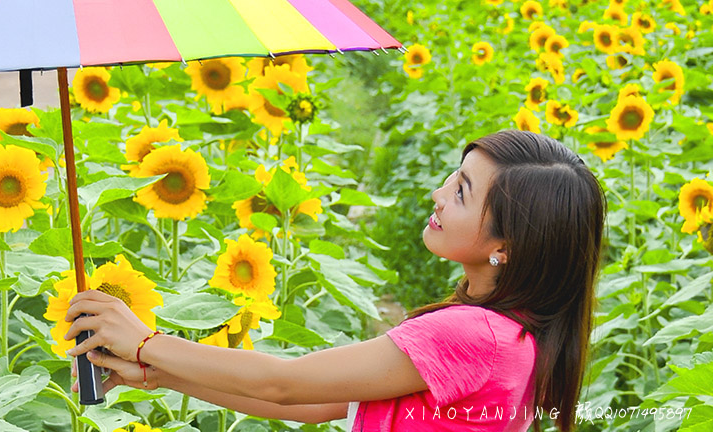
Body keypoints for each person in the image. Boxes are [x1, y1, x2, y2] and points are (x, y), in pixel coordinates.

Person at [65, 130, 606, 432]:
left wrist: (146, 340)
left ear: (506, 248)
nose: (439, 195)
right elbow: (306, 406)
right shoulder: (513, 338)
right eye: (453, 176)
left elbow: (285, 382)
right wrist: (157, 374)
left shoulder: (473, 336)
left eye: (462, 192)